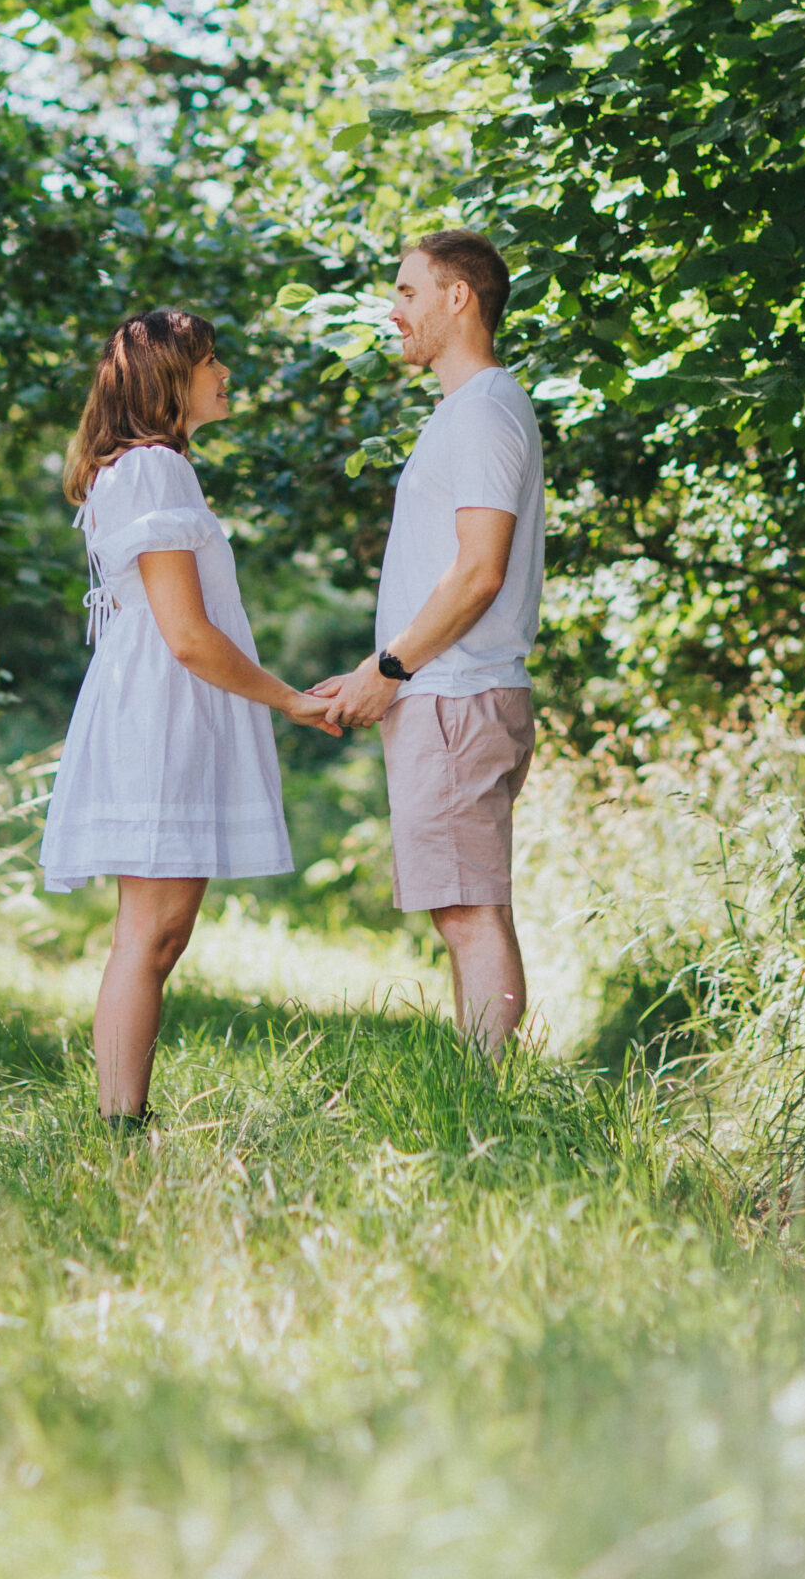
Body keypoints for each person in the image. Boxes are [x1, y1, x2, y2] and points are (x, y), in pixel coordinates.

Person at [41, 307, 336, 1130]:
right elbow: (187, 635)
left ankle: (121, 1116)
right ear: (167, 379)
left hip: (162, 703)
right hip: (161, 706)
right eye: (210, 360)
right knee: (153, 927)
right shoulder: (153, 470)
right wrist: (290, 700)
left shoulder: (150, 470)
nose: (224, 373)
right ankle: (118, 1124)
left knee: (161, 928)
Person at [317, 233, 544, 1057]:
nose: (393, 311)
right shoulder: (469, 411)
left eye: (408, 292)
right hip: (449, 691)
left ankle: (485, 1109)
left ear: (459, 299)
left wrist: (390, 669)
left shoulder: (481, 411)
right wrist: (371, 669)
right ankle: (484, 1097)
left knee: (469, 911)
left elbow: (478, 572)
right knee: (467, 906)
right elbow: (440, 575)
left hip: (454, 695)